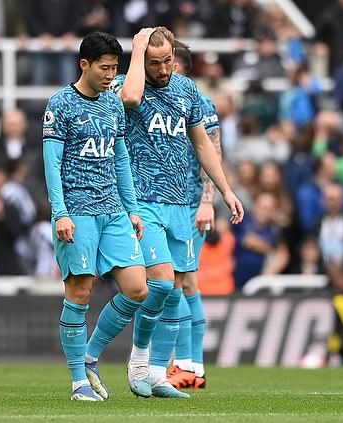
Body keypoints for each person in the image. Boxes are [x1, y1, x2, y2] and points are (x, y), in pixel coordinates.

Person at [104, 27, 243, 398]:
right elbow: (131, 98)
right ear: (140, 60)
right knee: (163, 283)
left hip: (181, 202)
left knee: (176, 287)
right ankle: (139, 362)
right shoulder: (124, 84)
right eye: (154, 62)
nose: (163, 69)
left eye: (167, 61)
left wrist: (224, 191)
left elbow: (203, 143)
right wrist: (136, 50)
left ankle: (157, 374)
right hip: (142, 202)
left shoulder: (187, 91)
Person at [42, 32, 148, 401]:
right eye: (104, 68)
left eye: (114, 68)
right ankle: (78, 383)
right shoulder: (60, 105)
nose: (110, 75)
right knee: (80, 292)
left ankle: (89, 355)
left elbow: (120, 159)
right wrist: (60, 213)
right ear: (84, 64)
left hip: (113, 210)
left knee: (138, 289)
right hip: (78, 211)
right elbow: (52, 165)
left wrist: (132, 208)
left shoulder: (113, 104)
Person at [166, 39, 221, 390]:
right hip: (165, 202)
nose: (164, 69)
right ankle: (193, 368)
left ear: (183, 67)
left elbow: (213, 152)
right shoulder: (160, 97)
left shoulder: (198, 101)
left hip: (189, 204)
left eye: (171, 63)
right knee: (181, 282)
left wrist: (207, 200)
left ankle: (187, 365)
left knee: (180, 280)